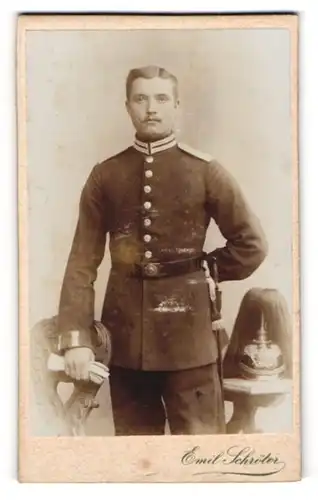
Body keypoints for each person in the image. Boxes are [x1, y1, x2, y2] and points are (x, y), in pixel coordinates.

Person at [56, 65, 268, 436]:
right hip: (125, 342)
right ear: (128, 107)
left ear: (176, 106)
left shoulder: (205, 171)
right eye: (141, 99)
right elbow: (81, 263)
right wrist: (76, 340)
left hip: (191, 343)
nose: (151, 108)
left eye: (161, 99)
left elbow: (252, 245)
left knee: (202, 459)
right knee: (139, 460)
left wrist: (204, 269)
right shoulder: (106, 175)